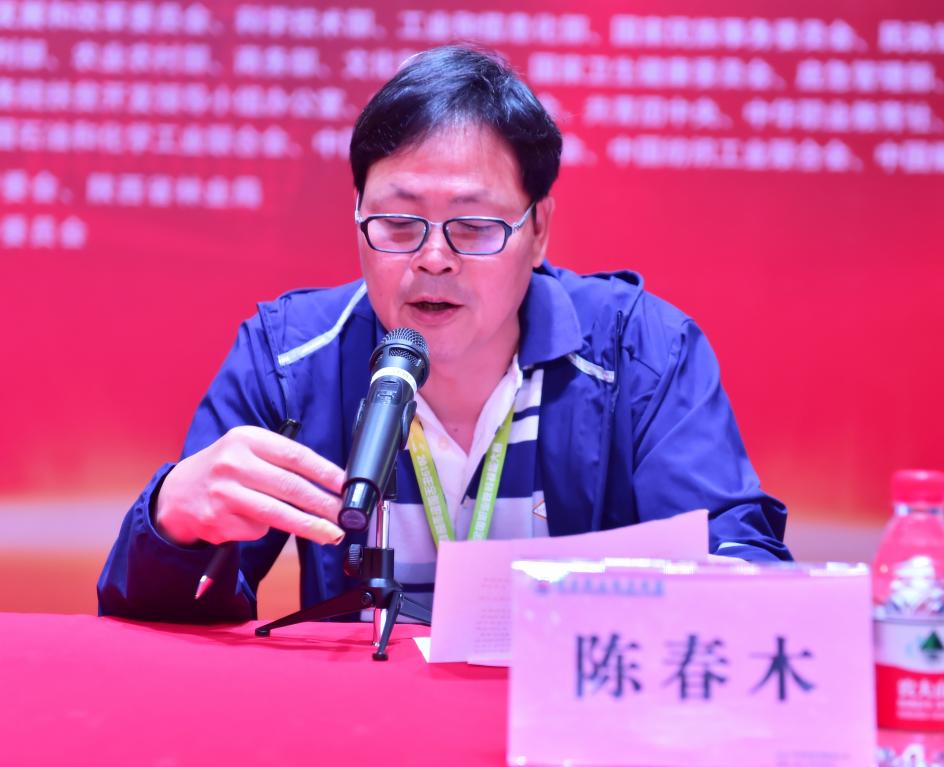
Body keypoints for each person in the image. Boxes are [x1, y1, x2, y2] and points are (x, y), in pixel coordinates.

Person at [98, 45, 791, 623]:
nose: (433, 258)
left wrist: (729, 580)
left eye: (475, 226)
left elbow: (736, 558)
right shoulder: (289, 360)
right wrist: (172, 522)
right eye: (399, 223)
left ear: (539, 230)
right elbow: (179, 614)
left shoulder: (643, 353)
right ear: (358, 219)